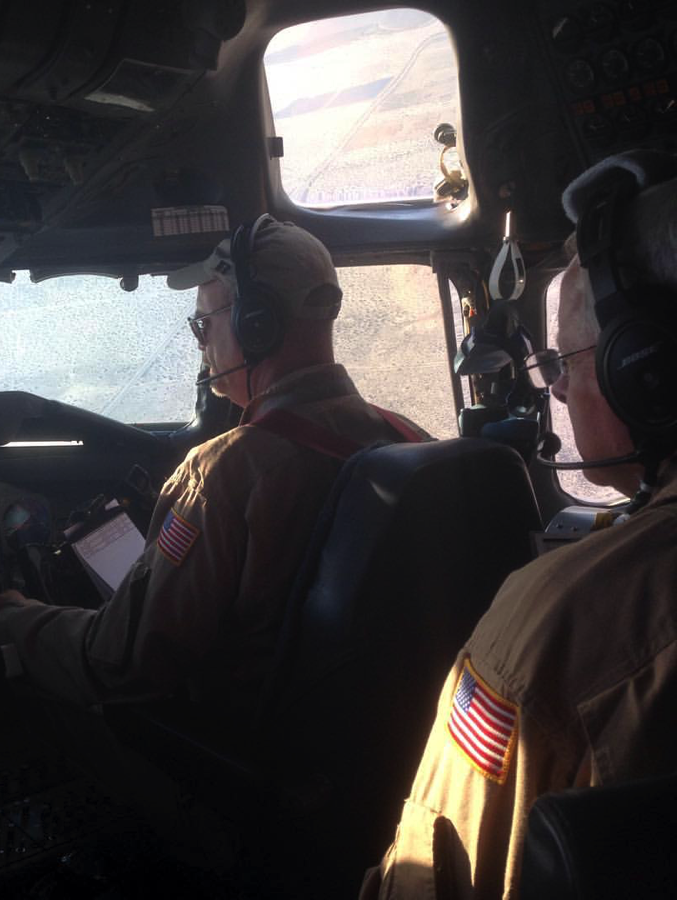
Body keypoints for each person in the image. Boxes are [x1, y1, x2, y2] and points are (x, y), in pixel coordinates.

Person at [0, 216, 427, 715]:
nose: (200, 343)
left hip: (253, 751)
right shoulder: (411, 442)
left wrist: (12, 618)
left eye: (204, 323)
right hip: (381, 733)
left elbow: (125, 664)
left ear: (255, 323)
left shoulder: (225, 473)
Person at [366, 150, 677, 900]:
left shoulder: (553, 633)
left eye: (570, 361)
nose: (561, 390)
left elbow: (431, 881)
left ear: (646, 367)